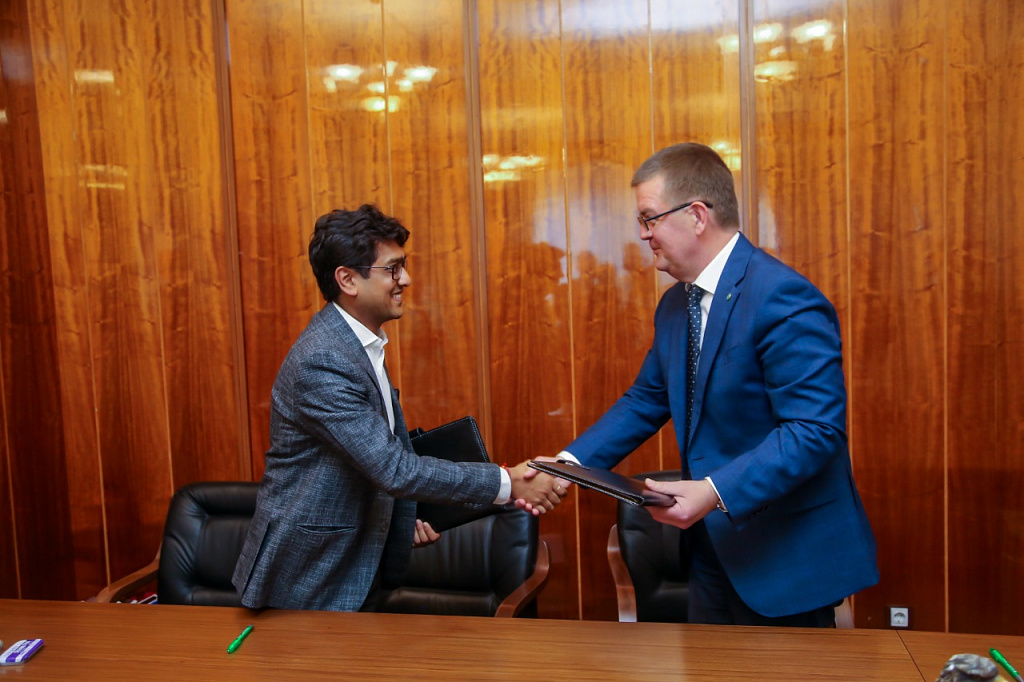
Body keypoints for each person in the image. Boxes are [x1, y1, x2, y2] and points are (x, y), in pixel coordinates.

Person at [540, 143, 878, 626]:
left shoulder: (783, 296)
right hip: (711, 550)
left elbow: (813, 430)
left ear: (697, 215)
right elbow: (646, 399)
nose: (643, 234)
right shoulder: (675, 305)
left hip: (785, 555)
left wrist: (715, 491)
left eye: (649, 218)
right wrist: (566, 466)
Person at [232, 204, 566, 612]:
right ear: (347, 279)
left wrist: (404, 520)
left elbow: (368, 461)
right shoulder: (324, 359)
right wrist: (509, 481)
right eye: (393, 269)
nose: (405, 279)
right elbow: (394, 469)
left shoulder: (358, 345)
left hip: (352, 564)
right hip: (309, 577)